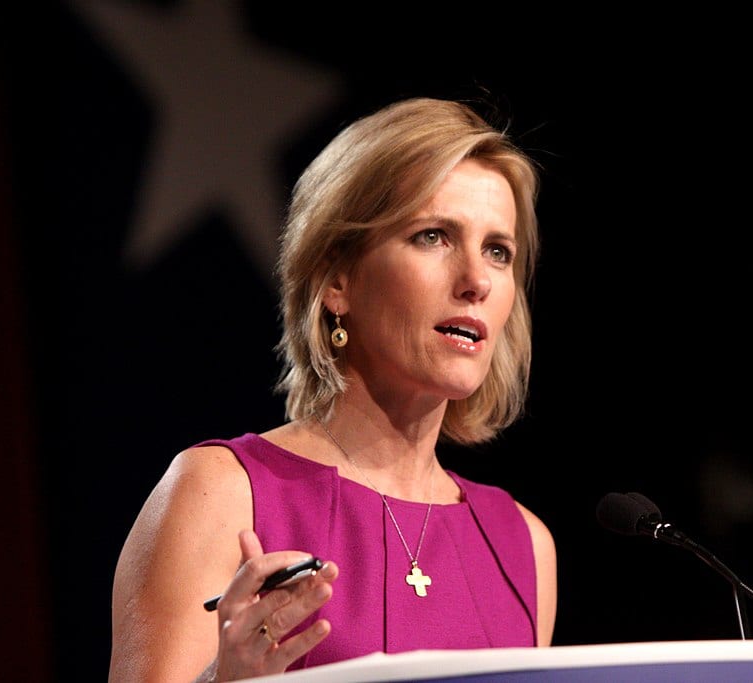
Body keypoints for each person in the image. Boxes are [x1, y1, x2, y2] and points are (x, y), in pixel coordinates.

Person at [108, 96, 557, 682]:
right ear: (337, 278)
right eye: (433, 236)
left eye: (498, 251)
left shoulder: (522, 545)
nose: (477, 281)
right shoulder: (218, 495)